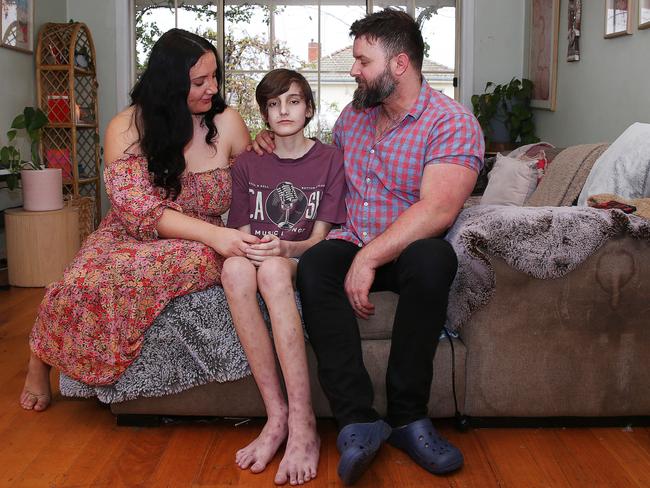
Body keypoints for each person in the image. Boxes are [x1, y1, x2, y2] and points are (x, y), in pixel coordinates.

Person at [255, 9, 484, 485]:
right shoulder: (353, 118)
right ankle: (357, 420)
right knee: (317, 265)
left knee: (434, 257)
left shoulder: (452, 122)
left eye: (362, 61)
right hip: (352, 237)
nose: (353, 70)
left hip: (408, 251)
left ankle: (407, 417)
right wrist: (271, 146)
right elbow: (317, 168)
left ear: (399, 64)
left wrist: (370, 256)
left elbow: (438, 210)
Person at [20, 28, 256, 412]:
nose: (212, 88)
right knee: (83, 281)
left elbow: (255, 182)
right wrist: (217, 236)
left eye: (215, 77)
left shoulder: (227, 122)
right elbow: (140, 212)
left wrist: (269, 148)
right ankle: (40, 358)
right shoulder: (126, 127)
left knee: (184, 262)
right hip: (131, 232)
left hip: (201, 240)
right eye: (199, 81)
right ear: (168, 84)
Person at [222, 69, 346, 485]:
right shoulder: (247, 164)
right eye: (273, 104)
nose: (284, 110)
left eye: (293, 101)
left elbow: (318, 242)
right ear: (264, 115)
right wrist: (256, 249)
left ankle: (303, 421)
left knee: (274, 270)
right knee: (234, 268)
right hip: (257, 253)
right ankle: (276, 417)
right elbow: (241, 234)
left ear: (309, 108)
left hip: (295, 256)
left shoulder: (330, 160)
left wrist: (283, 249)